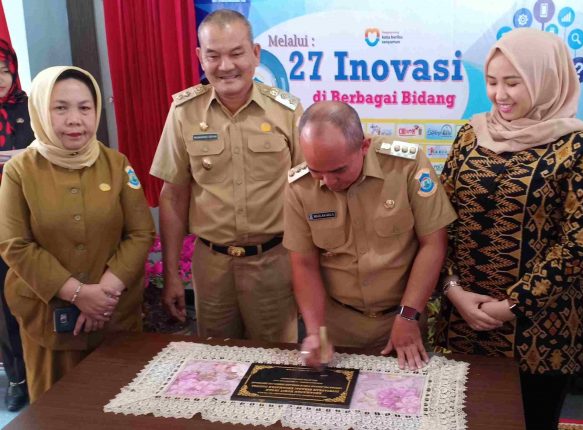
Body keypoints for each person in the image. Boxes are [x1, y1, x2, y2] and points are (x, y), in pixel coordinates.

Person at [435, 28, 583, 430]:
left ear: (545, 79)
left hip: (540, 334)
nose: (500, 94)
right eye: (492, 81)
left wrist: (512, 305)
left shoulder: (579, 146)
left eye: (513, 82)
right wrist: (453, 290)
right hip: (465, 321)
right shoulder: (471, 135)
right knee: (464, 419)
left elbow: (579, 243)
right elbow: (440, 220)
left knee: (529, 422)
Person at [0, 66, 155, 402]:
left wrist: (103, 295)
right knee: (58, 411)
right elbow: (15, 244)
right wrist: (78, 294)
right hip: (48, 324)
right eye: (60, 108)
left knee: (122, 408)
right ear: (41, 111)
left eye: (85, 108)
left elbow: (141, 232)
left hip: (115, 317)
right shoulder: (19, 171)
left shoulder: (116, 164)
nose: (75, 120)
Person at [151, 9, 302, 342]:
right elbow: (173, 195)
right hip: (212, 268)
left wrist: (311, 273)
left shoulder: (287, 111)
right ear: (199, 58)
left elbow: (310, 193)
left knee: (276, 360)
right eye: (213, 56)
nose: (226, 66)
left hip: (274, 264)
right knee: (214, 361)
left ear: (255, 54)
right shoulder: (184, 112)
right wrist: (172, 273)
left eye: (236, 53)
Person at [283, 101, 457, 371]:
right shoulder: (299, 187)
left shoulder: (406, 166)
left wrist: (408, 316)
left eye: (338, 170)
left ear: (364, 146)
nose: (328, 182)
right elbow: (304, 263)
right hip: (337, 325)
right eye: (317, 171)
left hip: (403, 317)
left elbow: (433, 244)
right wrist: (316, 331)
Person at [0, 38, 33, 411]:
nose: (0, 78)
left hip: (31, 219)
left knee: (38, 294)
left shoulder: (31, 107)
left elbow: (51, 149)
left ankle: (48, 368)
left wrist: (23, 157)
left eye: (4, 70)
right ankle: (18, 379)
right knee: (4, 306)